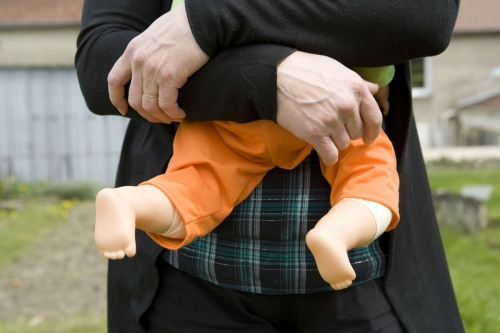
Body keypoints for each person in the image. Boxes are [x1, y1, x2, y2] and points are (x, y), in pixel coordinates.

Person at [76, 0, 464, 332]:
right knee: (368, 179)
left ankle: (134, 203)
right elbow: (103, 64)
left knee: (194, 185)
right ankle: (339, 231)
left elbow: (425, 17)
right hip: (194, 281)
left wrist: (206, 20)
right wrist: (269, 77)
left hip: (363, 279)